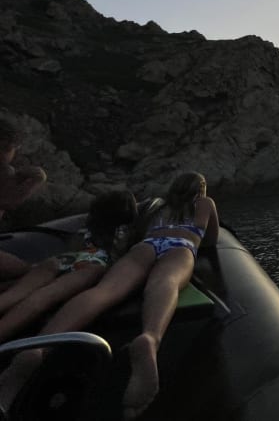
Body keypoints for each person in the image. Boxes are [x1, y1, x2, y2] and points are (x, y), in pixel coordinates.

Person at [0, 172, 218, 420]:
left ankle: (38, 348)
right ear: (199, 189)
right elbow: (210, 238)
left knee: (103, 291)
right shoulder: (204, 203)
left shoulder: (160, 206)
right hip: (181, 246)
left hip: (146, 246)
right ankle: (149, 338)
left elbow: (138, 233)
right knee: (165, 281)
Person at [0, 189, 137, 342]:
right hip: (92, 264)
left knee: (15, 294)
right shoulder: (123, 231)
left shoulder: (85, 229)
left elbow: (74, 247)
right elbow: (121, 255)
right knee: (43, 298)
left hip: (61, 259)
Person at [0, 118, 48, 280]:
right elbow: (9, 202)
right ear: (7, 147)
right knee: (27, 273)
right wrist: (36, 180)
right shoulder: (4, 171)